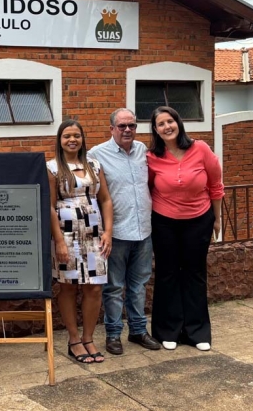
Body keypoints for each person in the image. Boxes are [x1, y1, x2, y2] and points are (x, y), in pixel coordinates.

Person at [147, 106, 224, 352]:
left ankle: (196, 331)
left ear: (178, 123)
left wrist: (217, 219)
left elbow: (216, 185)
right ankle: (168, 331)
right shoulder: (152, 157)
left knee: (194, 274)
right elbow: (149, 187)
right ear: (156, 130)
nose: (167, 127)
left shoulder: (200, 149)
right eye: (161, 124)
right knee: (167, 274)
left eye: (170, 121)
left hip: (199, 220)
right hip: (164, 222)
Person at [90, 109, 161, 355]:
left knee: (139, 285)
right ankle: (113, 334)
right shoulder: (97, 154)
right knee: (113, 287)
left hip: (144, 231)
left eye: (132, 125)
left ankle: (138, 331)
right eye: (122, 126)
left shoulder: (143, 150)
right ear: (112, 129)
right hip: (116, 233)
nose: (128, 130)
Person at [47, 119, 114, 364]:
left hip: (95, 234)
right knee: (68, 286)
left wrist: (108, 232)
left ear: (83, 138)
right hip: (66, 235)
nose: (72, 140)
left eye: (76, 135)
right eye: (67, 136)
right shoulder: (52, 167)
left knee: (94, 287)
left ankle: (88, 338)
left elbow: (105, 199)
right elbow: (49, 206)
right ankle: (74, 340)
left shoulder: (94, 165)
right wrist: (59, 241)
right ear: (60, 140)